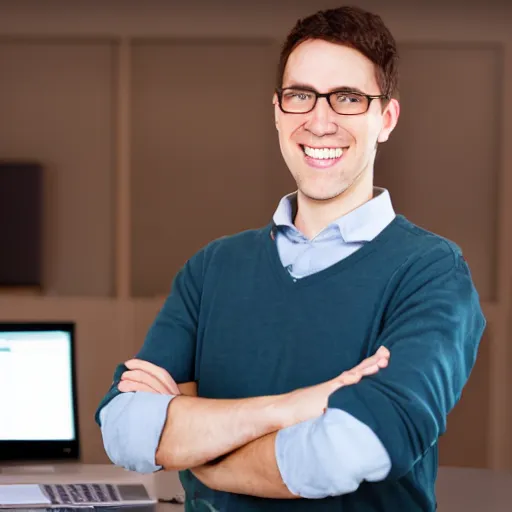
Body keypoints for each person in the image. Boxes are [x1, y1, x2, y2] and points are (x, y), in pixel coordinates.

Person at [95, 6, 485, 511]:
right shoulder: (212, 268)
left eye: (347, 98)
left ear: (384, 119)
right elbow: (126, 429)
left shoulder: (432, 273)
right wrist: (299, 406)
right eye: (301, 95)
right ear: (278, 111)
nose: (319, 121)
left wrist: (196, 447)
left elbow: (351, 449)